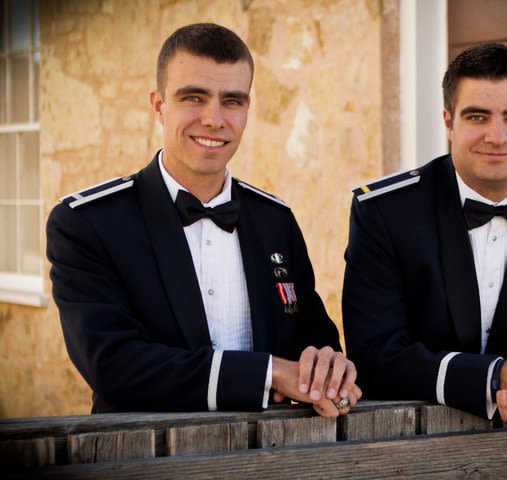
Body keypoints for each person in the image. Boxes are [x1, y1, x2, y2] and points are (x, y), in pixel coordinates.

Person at [46, 23, 360, 417]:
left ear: (247, 109)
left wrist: (329, 368)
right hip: (147, 461)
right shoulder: (88, 224)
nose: (213, 119)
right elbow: (113, 366)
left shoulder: (275, 220)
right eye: (193, 97)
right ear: (158, 105)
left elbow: (313, 339)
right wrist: (268, 372)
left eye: (232, 100)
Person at [342, 43, 507, 435]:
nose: (496, 136)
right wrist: (497, 378)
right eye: (477, 116)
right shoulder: (385, 212)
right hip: (411, 443)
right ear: (449, 121)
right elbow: (376, 352)